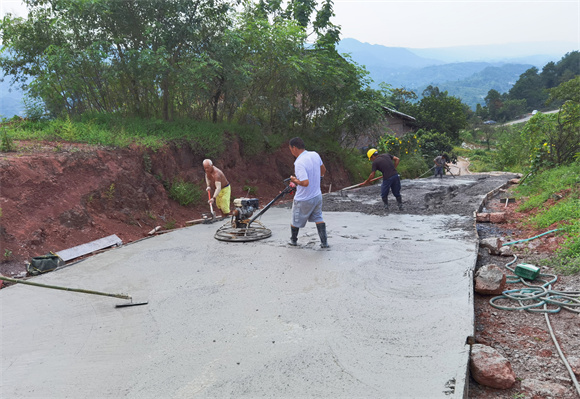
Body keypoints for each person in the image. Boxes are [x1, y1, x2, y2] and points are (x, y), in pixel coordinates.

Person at [288, 137, 329, 248]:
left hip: (304, 198)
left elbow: (305, 182)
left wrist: (294, 180)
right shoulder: (314, 154)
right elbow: (323, 170)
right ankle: (324, 242)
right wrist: (318, 178)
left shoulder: (299, 162)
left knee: (295, 219)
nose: (291, 152)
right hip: (317, 195)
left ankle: (293, 240)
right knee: (319, 218)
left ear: (294, 148)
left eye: (291, 149)